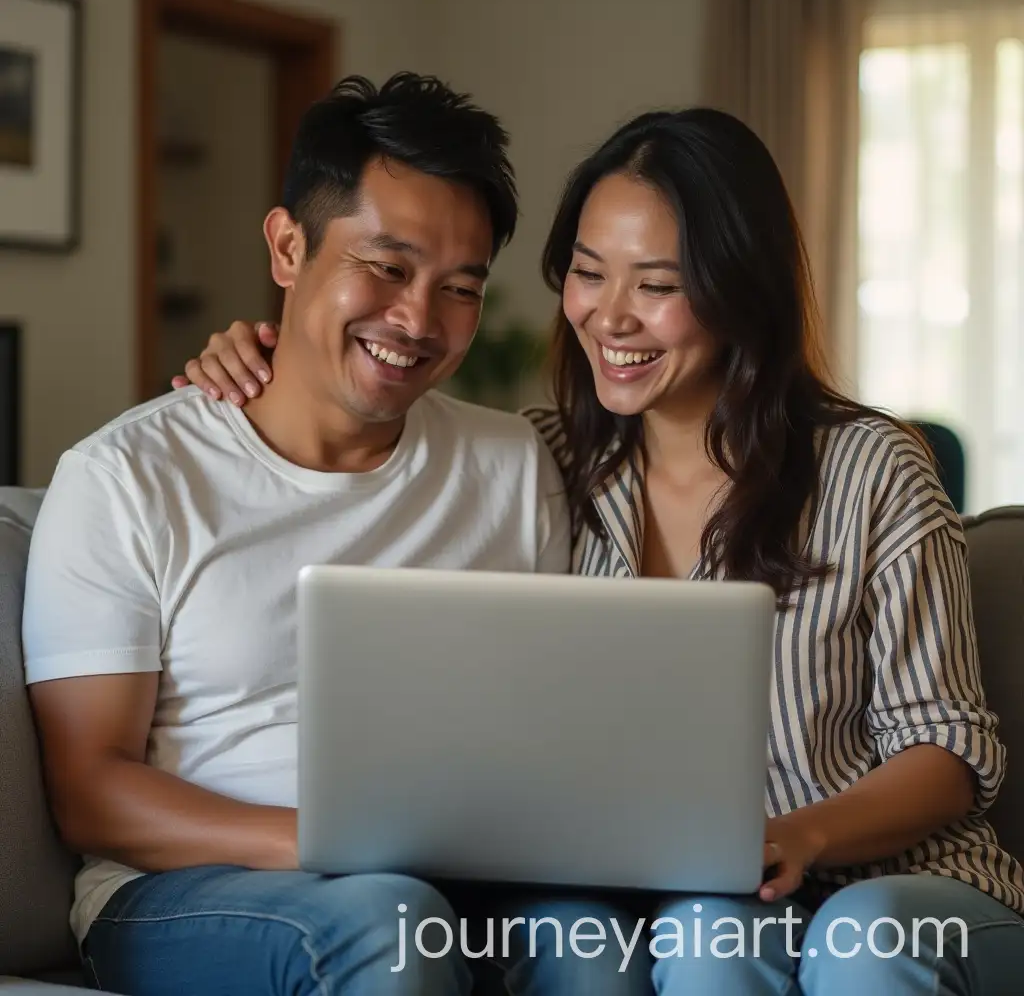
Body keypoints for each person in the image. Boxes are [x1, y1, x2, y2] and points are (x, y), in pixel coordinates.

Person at [179, 105, 1024, 994]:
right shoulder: (544, 465)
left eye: (657, 285)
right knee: (702, 940)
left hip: (906, 891)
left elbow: (950, 750)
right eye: (587, 274)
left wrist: (800, 835)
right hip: (699, 905)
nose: (609, 318)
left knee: (864, 937)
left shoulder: (870, 467)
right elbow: (350, 411)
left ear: (741, 288)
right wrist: (255, 353)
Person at [21, 73, 652, 996]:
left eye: (460, 288)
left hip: (450, 880)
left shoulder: (511, 464)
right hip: (185, 892)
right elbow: (90, 792)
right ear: (287, 246)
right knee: (391, 926)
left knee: (594, 940)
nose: (417, 321)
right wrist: (338, 845)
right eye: (387, 268)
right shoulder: (125, 479)